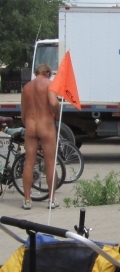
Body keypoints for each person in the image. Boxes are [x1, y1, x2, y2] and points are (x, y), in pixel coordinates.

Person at [20, 63, 60, 210]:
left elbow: (23, 113)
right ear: (48, 73)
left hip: (31, 125)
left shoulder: (27, 87)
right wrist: (57, 113)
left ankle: (27, 200)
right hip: (46, 125)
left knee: (29, 163)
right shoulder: (49, 84)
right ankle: (51, 198)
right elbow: (53, 102)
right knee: (50, 163)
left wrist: (27, 123)